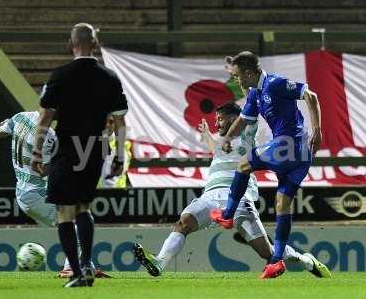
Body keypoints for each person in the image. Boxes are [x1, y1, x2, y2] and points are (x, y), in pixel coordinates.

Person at [133, 102, 330, 278]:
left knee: (267, 252)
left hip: (238, 197)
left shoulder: (245, 134)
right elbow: (216, 150)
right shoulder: (223, 145)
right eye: (215, 120)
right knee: (183, 223)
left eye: (220, 119)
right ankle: (159, 262)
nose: (216, 123)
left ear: (235, 119)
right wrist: (206, 136)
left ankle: (307, 261)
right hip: (210, 197)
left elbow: (248, 115)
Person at [31, 23, 128, 287]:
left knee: (65, 210)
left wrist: (37, 153)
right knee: (83, 207)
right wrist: (119, 156)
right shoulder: (109, 77)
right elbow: (120, 123)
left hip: (66, 149)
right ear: (95, 44)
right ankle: (86, 264)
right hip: (94, 149)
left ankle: (77, 272)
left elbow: (44, 119)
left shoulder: (60, 75)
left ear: (70, 43)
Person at [211, 51, 322, 279]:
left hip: (288, 146)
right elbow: (242, 120)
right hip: (301, 157)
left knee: (243, 165)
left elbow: (311, 96)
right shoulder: (255, 95)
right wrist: (227, 139)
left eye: (238, 76)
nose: (236, 81)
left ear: (250, 73)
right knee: (282, 204)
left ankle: (228, 214)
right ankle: (276, 261)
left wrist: (318, 131)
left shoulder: (275, 83)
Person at [0, 111, 111, 278]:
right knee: (75, 220)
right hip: (36, 193)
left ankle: (86, 266)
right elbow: (43, 170)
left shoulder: (20, 117)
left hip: (25, 191)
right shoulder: (49, 136)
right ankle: (72, 268)